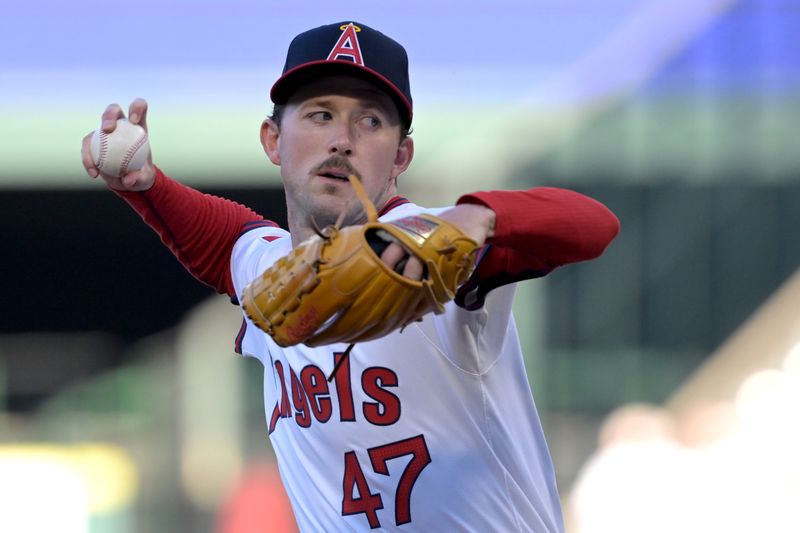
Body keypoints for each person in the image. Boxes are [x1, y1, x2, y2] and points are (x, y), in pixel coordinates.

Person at [81, 21, 619, 533]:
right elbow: (220, 238)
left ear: (400, 155)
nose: (342, 139)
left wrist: (478, 218)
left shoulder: (436, 248)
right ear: (273, 140)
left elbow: (596, 225)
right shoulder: (271, 268)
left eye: (370, 121)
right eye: (319, 115)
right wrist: (144, 184)